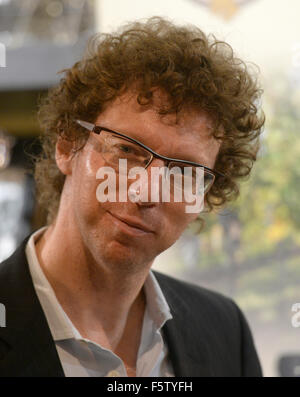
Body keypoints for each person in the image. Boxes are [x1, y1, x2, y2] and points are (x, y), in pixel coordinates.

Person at [0, 17, 265, 377]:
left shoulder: (223, 330)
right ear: (67, 145)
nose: (145, 191)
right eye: (126, 150)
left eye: (184, 172)